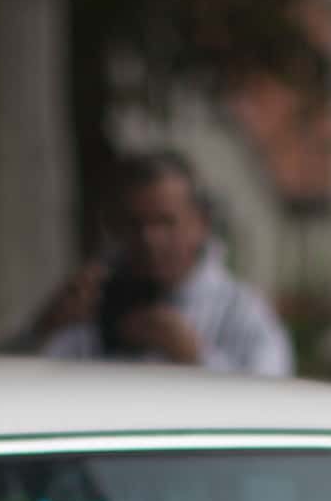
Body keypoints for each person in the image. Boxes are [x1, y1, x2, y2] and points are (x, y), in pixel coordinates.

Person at [18, 153, 293, 377]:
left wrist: (194, 356)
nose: (149, 238)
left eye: (165, 222)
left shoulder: (240, 310)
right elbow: (14, 384)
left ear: (201, 225)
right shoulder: (89, 303)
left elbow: (272, 402)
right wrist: (44, 329)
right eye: (135, 224)